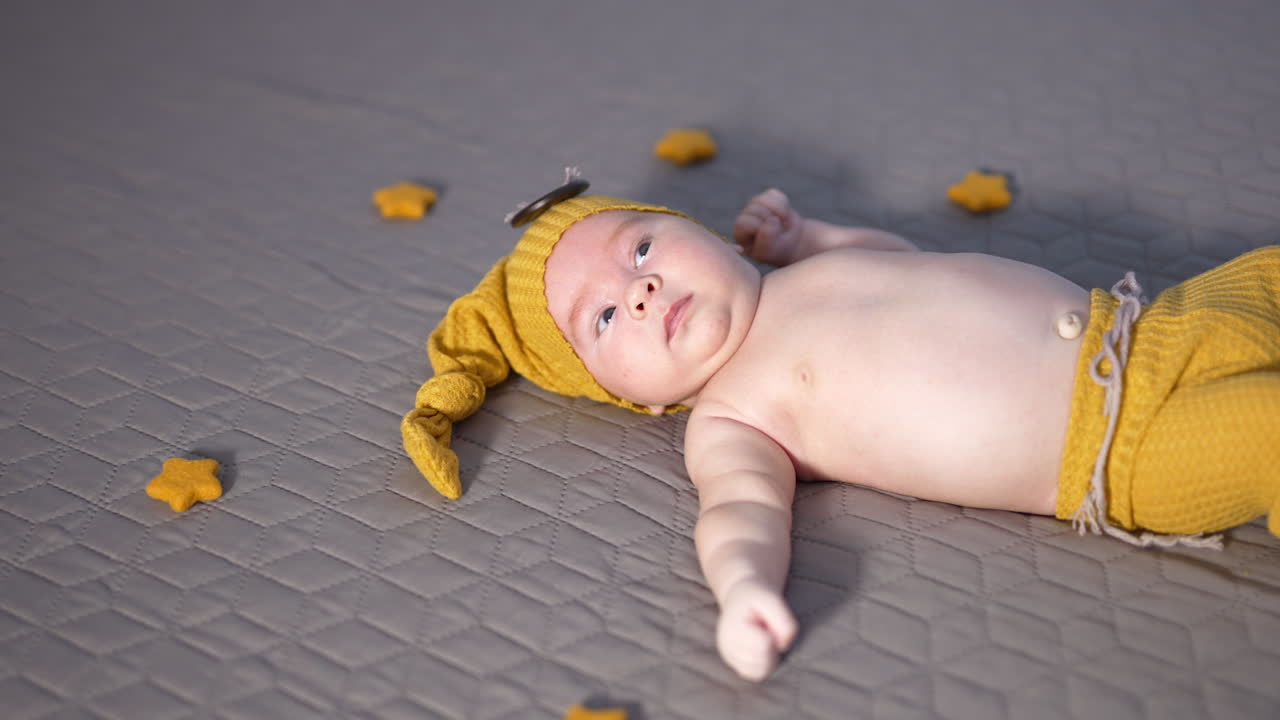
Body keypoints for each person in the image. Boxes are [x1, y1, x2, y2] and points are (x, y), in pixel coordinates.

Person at [402, 173, 1280, 682]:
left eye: (640, 249)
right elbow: (741, 513)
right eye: (603, 321)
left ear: (701, 234)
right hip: (1116, 449)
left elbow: (909, 264)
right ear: (629, 397)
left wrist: (810, 234)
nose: (640, 291)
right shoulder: (731, 416)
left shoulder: (805, 273)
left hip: (1155, 325)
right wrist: (744, 590)